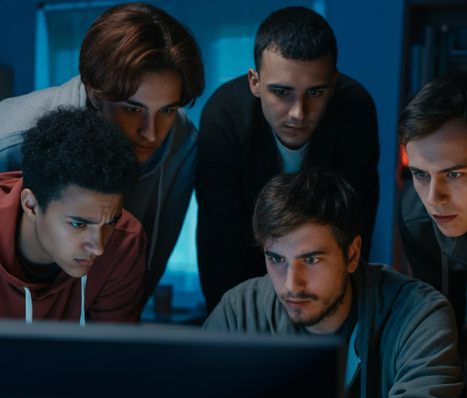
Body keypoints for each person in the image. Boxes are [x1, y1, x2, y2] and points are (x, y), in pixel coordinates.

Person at [204, 167, 463, 398]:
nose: (291, 283)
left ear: (353, 254)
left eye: (311, 259)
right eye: (276, 259)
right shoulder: (240, 311)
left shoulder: (420, 315)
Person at [0, 2, 204, 303]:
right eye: (133, 109)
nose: (151, 133)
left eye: (167, 110)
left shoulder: (182, 140)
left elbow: (150, 259)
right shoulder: (10, 137)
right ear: (96, 93)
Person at [196, 6, 379, 312]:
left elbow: (355, 231)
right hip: (243, 270)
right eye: (282, 92)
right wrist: (228, 332)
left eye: (316, 92)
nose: (299, 112)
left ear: (333, 83)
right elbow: (219, 242)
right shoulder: (223, 118)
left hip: (328, 276)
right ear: (254, 82)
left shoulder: (355, 110)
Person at [0, 107, 146, 323]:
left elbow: (114, 353)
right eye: (79, 224)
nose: (99, 248)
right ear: (31, 205)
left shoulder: (125, 242)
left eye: (110, 223)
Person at [397, 71, 467, 329]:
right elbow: (442, 326)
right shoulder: (418, 219)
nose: (433, 198)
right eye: (421, 174)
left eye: (454, 174)